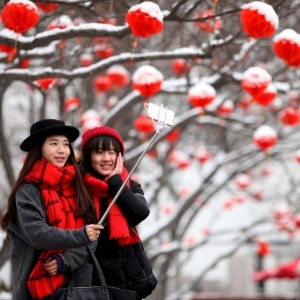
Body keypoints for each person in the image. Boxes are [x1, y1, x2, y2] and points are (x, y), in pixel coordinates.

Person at [0, 119, 103, 300]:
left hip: (77, 288)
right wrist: (82, 235)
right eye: (54, 143)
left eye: (65, 144)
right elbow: (38, 234)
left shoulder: (77, 187)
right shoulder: (28, 191)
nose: (62, 150)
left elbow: (92, 236)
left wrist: (65, 260)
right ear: (39, 147)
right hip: (35, 292)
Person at [79, 125, 157, 299]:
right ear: (88, 155)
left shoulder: (129, 185)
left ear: (119, 156)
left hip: (127, 282)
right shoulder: (78, 188)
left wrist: (115, 181)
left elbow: (139, 213)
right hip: (91, 283)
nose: (106, 158)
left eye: (112, 152)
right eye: (99, 152)